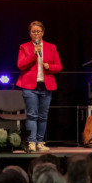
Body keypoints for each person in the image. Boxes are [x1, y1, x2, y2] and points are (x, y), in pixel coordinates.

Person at [16, 20, 62, 152]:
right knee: (32, 115)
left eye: (38, 31)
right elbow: (20, 65)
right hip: (30, 86)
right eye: (34, 31)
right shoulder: (24, 47)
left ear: (43, 32)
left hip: (46, 86)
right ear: (30, 33)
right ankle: (31, 142)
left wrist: (49, 67)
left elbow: (59, 66)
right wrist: (33, 54)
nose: (36, 34)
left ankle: (40, 142)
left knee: (43, 116)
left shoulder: (51, 47)